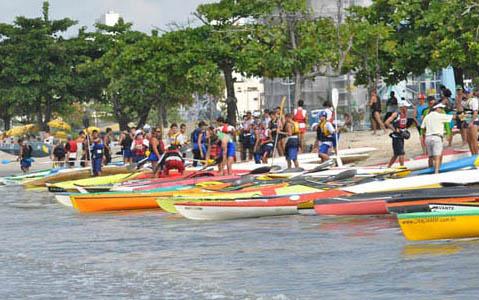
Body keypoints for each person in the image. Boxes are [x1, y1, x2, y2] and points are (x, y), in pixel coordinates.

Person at [421, 103, 453, 173]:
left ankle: (429, 172)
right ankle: (436, 172)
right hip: (437, 138)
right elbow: (453, 117)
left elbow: (422, 128)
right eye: (441, 108)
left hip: (428, 138)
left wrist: (423, 135)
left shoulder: (427, 116)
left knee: (430, 157)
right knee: (437, 157)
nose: (442, 110)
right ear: (437, 108)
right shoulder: (440, 116)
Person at [385, 101, 412, 167]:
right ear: (402, 107)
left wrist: (404, 131)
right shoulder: (396, 114)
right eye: (406, 107)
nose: (407, 108)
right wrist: (395, 130)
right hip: (396, 137)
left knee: (396, 154)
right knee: (401, 153)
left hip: (401, 136)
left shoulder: (405, 114)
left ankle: (388, 167)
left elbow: (403, 125)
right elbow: (387, 122)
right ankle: (402, 168)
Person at [466, 89, 479, 155]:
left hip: (473, 122)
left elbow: (475, 112)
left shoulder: (474, 100)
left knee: (474, 140)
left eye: (468, 92)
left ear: (472, 93)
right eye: (466, 92)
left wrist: (471, 122)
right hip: (467, 122)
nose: (467, 93)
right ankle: (473, 155)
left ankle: (476, 156)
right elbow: (465, 112)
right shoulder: (466, 100)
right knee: (469, 140)